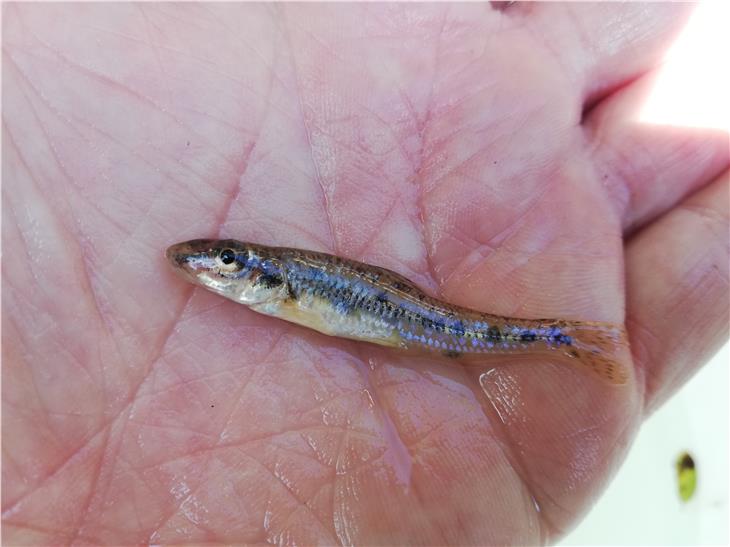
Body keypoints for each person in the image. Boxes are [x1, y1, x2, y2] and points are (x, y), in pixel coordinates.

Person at [2, 3, 727, 545]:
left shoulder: (280, 282)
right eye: (221, 262)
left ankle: (560, 337)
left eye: (223, 262)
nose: (210, 269)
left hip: (417, 317)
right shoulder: (269, 286)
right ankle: (558, 337)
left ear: (255, 272)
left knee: (452, 330)